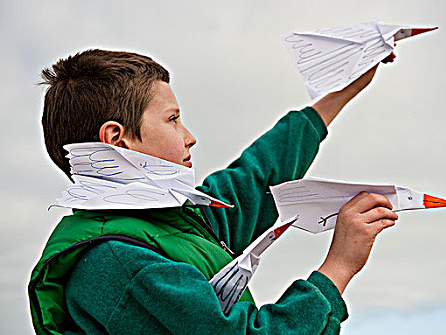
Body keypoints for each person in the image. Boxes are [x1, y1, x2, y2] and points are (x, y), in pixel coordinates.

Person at [29, 49, 398, 334]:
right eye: (173, 119)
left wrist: (342, 92)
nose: (190, 137)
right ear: (117, 139)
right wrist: (339, 266)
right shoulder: (120, 260)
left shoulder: (178, 222)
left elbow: (257, 175)